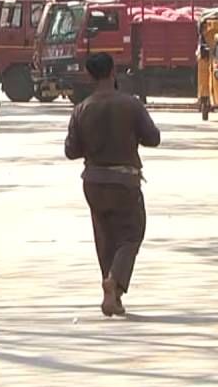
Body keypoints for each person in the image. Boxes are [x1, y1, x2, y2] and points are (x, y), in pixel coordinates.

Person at [64, 53, 160, 317]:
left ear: (89, 75)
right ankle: (115, 280)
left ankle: (113, 294)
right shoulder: (130, 104)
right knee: (131, 234)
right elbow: (153, 138)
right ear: (113, 72)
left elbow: (71, 151)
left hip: (93, 182)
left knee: (104, 237)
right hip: (124, 180)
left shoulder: (82, 108)